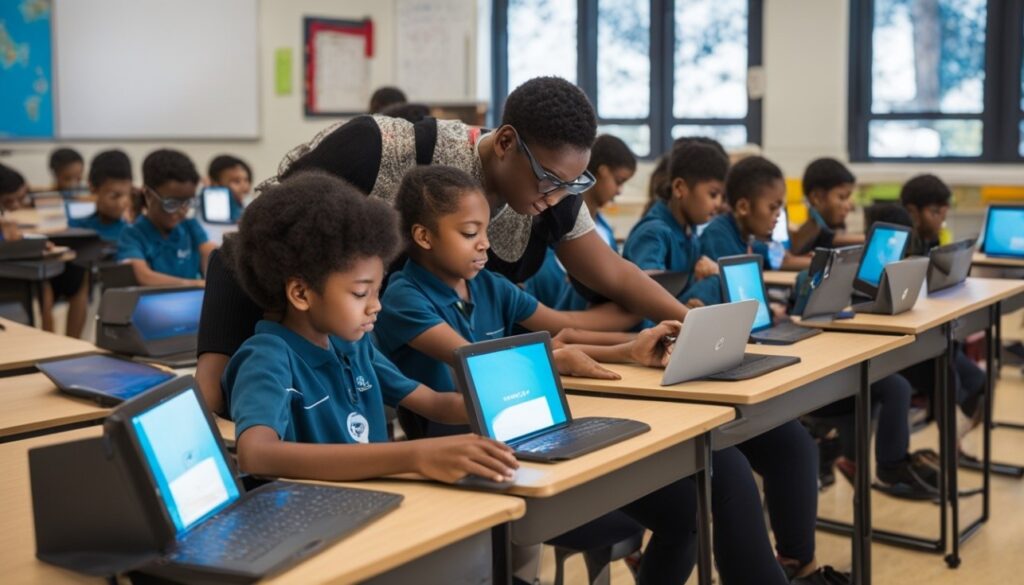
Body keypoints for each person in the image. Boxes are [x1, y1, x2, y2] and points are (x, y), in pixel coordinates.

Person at [377, 165, 791, 585]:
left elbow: (557, 330)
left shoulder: (489, 285)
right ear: (424, 237)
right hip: (472, 459)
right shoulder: (402, 298)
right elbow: (490, 363)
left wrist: (628, 348)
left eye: (486, 229)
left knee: (689, 510)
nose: (485, 244)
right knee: (693, 493)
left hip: (534, 430)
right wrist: (575, 350)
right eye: (470, 233)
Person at [196, 76, 690, 414]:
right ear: (505, 143)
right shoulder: (379, 149)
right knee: (222, 411)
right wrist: (211, 382)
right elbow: (257, 242)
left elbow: (615, 275)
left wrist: (693, 327)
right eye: (549, 180)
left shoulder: (549, 189)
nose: (557, 196)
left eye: (572, 184)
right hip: (275, 318)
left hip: (376, 361)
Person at [221, 170, 519, 488]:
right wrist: (414, 455)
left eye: (378, 291)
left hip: (376, 500)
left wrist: (513, 401)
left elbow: (435, 404)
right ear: (301, 294)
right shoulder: (267, 358)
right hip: (320, 521)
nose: (376, 305)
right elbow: (257, 454)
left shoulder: (356, 344)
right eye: (361, 293)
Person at [891, 175, 986, 454]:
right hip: (912, 346)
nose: (940, 221)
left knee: (979, 382)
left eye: (943, 214)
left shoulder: (931, 240)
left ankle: (953, 444)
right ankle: (947, 453)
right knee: (948, 378)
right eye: (934, 213)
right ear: (912, 211)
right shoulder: (901, 245)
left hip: (937, 338)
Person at [524, 134, 637, 310]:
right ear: (602, 171)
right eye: (619, 181)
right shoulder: (550, 224)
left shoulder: (605, 229)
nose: (619, 191)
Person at [623, 141, 727, 308]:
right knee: (715, 282)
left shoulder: (689, 231)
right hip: (650, 322)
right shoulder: (653, 232)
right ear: (679, 188)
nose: (719, 204)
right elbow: (648, 294)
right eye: (713, 194)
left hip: (674, 315)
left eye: (722, 196)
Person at [117, 149, 216, 286]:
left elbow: (212, 257)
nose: (181, 212)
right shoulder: (132, 235)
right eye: (171, 203)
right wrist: (193, 284)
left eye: (187, 202)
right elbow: (144, 276)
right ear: (148, 195)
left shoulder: (190, 226)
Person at [699, 155, 806, 270]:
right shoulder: (718, 238)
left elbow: (779, 259)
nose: (779, 214)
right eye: (773, 207)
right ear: (743, 207)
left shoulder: (748, 237)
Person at [790, 158, 864, 254]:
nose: (848, 206)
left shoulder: (835, 226)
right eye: (842, 197)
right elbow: (831, 238)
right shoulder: (812, 230)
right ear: (817, 197)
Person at [69, 150, 132, 242]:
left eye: (127, 194)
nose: (122, 203)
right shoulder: (73, 228)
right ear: (93, 188)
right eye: (114, 196)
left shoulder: (132, 232)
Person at [207, 154, 253, 222]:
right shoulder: (212, 210)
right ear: (215, 184)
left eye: (246, 180)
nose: (244, 186)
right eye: (236, 181)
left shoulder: (249, 205)